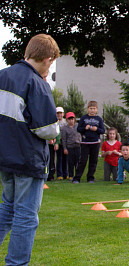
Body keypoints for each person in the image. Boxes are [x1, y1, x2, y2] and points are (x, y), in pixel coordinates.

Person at [0, 34, 60, 265]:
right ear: (47, 59)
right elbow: (48, 129)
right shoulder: (36, 83)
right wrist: (53, 133)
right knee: (26, 215)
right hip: (28, 159)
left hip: (5, 158)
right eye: (51, 63)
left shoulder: (2, 75)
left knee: (8, 208)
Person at [72, 101, 105, 183]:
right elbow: (78, 129)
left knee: (93, 161)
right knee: (83, 161)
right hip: (85, 143)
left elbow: (103, 130)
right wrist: (85, 128)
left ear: (97, 110)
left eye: (94, 109)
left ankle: (90, 177)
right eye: (90, 108)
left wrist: (96, 129)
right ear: (87, 109)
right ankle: (77, 178)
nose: (92, 110)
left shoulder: (99, 119)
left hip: (95, 143)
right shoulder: (83, 118)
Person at [61, 112, 82, 180]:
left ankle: (77, 174)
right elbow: (64, 139)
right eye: (69, 119)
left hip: (78, 145)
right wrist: (65, 148)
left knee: (78, 161)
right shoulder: (64, 128)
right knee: (70, 162)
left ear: (74, 119)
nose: (71, 120)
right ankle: (71, 175)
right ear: (67, 120)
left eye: (72, 119)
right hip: (70, 146)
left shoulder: (78, 126)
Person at [55, 106, 68, 180]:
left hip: (65, 143)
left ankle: (65, 173)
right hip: (58, 143)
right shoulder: (55, 122)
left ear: (63, 114)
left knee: (65, 158)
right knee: (59, 158)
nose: (59, 115)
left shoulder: (65, 122)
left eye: (61, 113)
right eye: (58, 113)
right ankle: (59, 174)